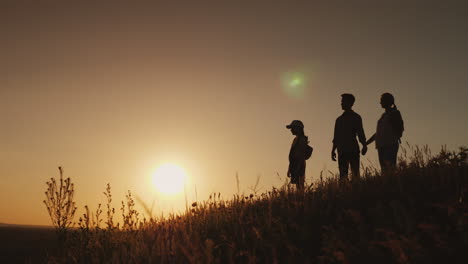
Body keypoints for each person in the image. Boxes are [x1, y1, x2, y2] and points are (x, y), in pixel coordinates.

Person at [331, 94, 367, 181]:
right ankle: (345, 193)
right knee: (343, 176)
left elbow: (360, 133)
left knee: (355, 174)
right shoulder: (339, 120)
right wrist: (333, 150)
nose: (341, 103)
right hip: (342, 150)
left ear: (350, 103)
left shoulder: (356, 117)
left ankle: (356, 191)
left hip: (352, 149)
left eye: (343, 101)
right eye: (341, 101)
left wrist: (364, 145)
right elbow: (336, 137)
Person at [366, 93, 404, 173]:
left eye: (382, 100)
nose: (380, 102)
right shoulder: (383, 116)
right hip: (381, 146)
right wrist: (366, 143)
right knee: (384, 170)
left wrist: (395, 137)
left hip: (390, 145)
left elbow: (400, 128)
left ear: (387, 101)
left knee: (390, 168)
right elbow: (378, 133)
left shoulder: (395, 113)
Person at [286, 120, 309, 190]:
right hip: (295, 165)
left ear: (298, 128)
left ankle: (301, 199)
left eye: (293, 128)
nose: (291, 130)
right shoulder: (296, 139)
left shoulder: (301, 139)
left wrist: (297, 167)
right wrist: (290, 168)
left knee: (300, 185)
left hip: (299, 165)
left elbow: (300, 155)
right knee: (298, 186)